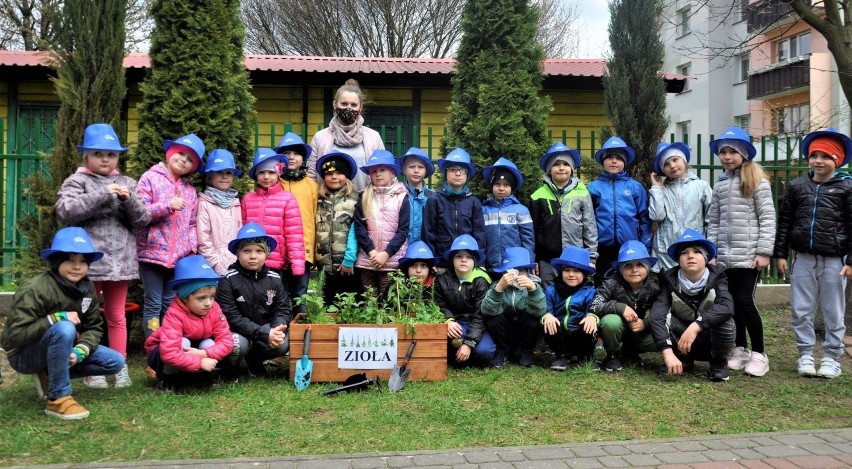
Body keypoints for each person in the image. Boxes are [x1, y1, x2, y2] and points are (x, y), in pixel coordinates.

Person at [54, 123, 149, 389]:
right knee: (85, 316)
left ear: (118, 157)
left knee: (117, 316)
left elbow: (143, 219)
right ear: (86, 156)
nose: (105, 159)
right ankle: (89, 367)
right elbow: (66, 210)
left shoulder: (127, 182)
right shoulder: (78, 181)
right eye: (98, 153)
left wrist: (128, 199)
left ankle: (120, 366)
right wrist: (101, 194)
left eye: (111, 154)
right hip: (87, 264)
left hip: (120, 263)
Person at [1, 227, 124, 419]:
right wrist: (55, 318)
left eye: (83, 261)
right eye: (70, 259)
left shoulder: (87, 287)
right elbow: (13, 339)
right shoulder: (35, 289)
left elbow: (93, 327)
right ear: (57, 260)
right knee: (65, 327)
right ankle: (58, 399)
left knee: (115, 361)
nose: (77, 267)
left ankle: (50, 374)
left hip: (61, 346)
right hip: (23, 354)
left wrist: (80, 351)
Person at [773, 128, 852, 379]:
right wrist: (781, 254)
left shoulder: (846, 188)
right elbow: (785, 221)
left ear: (836, 160)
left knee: (833, 310)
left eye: (826, 156)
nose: (819, 160)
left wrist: (850, 260)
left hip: (834, 261)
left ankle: (832, 356)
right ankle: (805, 353)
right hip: (803, 259)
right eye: (814, 155)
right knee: (801, 309)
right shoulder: (798, 186)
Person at [707, 126, 775, 377]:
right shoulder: (721, 184)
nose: (726, 157)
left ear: (744, 154)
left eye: (732, 152)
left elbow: (768, 218)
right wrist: (711, 251)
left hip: (749, 256)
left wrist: (764, 251)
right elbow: (714, 220)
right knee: (732, 304)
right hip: (725, 256)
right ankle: (741, 349)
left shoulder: (757, 181)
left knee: (746, 301)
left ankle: (759, 353)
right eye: (722, 152)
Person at [136, 133, 205, 338]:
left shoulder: (190, 191)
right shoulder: (150, 178)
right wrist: (167, 205)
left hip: (178, 258)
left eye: (190, 159)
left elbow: (192, 223)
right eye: (181, 154)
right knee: (153, 302)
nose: (183, 160)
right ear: (170, 153)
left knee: (170, 302)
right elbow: (139, 213)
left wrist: (191, 248)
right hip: (151, 254)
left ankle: (168, 345)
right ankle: (153, 348)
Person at [650, 229, 735, 382]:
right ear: (678, 259)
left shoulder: (718, 276)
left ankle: (718, 363)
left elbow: (726, 306)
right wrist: (667, 352)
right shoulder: (669, 279)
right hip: (681, 340)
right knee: (663, 318)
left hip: (710, 339)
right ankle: (683, 360)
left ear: (706, 257)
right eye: (684, 252)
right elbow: (657, 315)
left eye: (697, 251)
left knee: (725, 320)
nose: (690, 256)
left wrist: (696, 325)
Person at [145, 255, 233, 392]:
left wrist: (203, 353)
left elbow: (227, 341)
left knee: (209, 343)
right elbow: (168, 353)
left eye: (212, 296)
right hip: (162, 354)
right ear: (185, 298)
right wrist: (199, 362)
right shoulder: (174, 314)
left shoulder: (214, 308)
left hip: (196, 350)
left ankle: (204, 379)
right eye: (201, 298)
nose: (208, 303)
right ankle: (167, 381)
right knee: (183, 342)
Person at [217, 222, 293, 376]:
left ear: (266, 253)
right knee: (237, 345)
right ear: (238, 253)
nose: (253, 256)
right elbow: (231, 316)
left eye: (259, 251)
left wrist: (277, 329)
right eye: (246, 251)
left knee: (283, 344)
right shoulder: (228, 280)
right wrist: (263, 334)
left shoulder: (275, 279)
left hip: (266, 331)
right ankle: (236, 368)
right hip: (239, 333)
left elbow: (283, 309)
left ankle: (254, 361)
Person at [531, 141, 597, 287]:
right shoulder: (537, 196)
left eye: (566, 164)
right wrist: (533, 259)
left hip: (576, 258)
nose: (561, 168)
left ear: (572, 169)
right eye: (556, 164)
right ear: (549, 169)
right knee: (549, 294)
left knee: (573, 296)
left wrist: (591, 258)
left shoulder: (582, 194)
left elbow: (589, 228)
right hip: (547, 260)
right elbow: (532, 232)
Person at [588, 136, 651, 285]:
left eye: (618, 158)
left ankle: (628, 308)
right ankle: (603, 308)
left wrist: (645, 245)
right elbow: (588, 219)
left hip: (629, 247)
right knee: (603, 283)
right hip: (602, 247)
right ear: (603, 161)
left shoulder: (635, 187)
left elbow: (644, 218)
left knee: (628, 283)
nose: (614, 161)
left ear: (625, 162)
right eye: (610, 158)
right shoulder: (593, 188)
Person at [590, 241, 660, 372]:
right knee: (611, 322)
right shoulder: (610, 284)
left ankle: (630, 352)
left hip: (637, 330)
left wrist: (645, 323)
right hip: (616, 330)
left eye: (640, 265)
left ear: (647, 267)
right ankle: (612, 354)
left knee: (663, 335)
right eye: (628, 265)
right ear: (621, 269)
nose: (634, 270)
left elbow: (661, 313)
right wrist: (619, 307)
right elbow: (594, 305)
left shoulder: (654, 289)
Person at [306, 79, 385, 191]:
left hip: (364, 203)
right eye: (344, 104)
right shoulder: (320, 137)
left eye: (354, 105)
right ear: (335, 105)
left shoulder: (373, 137)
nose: (349, 108)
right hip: (329, 204)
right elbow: (312, 176)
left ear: (360, 107)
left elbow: (383, 170)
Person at [241, 148, 305, 281]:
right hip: (251, 263)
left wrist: (297, 265)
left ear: (278, 174)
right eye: (261, 172)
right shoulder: (247, 199)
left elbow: (294, 234)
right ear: (255, 175)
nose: (266, 177)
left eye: (271, 172)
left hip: (277, 264)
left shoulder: (287, 199)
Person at [433, 235, 497, 367]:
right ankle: (459, 355)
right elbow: (439, 304)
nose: (464, 260)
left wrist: (469, 343)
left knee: (485, 352)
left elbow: (480, 315)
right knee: (445, 345)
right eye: (459, 256)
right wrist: (448, 321)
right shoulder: (442, 280)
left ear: (475, 261)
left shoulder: (481, 281)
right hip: (455, 324)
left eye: (468, 257)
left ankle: (466, 354)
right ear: (452, 260)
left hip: (475, 324)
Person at [353, 149, 410, 297]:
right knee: (370, 301)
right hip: (368, 260)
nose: (378, 174)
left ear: (392, 173)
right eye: (374, 171)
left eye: (382, 170)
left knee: (388, 301)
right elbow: (360, 227)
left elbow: (403, 230)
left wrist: (386, 254)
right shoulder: (364, 196)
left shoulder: (402, 197)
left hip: (392, 261)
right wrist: (372, 252)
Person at [648, 141, 712, 271]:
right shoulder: (662, 191)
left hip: (694, 249)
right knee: (669, 289)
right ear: (662, 169)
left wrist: (710, 245)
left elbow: (711, 219)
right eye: (666, 164)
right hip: (666, 250)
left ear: (684, 161)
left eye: (675, 160)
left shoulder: (701, 186)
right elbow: (657, 216)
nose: (672, 166)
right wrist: (656, 188)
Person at [274, 132, 318, 317]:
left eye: (296, 153)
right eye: (287, 153)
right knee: (279, 291)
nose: (291, 157)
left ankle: (299, 330)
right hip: (279, 248)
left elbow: (314, 215)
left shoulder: (311, 185)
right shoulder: (274, 183)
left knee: (300, 292)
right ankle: (281, 327)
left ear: (303, 159)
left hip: (303, 247)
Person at [481, 247, 546, 368]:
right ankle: (502, 351)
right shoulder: (497, 285)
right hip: (504, 330)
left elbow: (540, 310)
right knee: (492, 319)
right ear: (504, 272)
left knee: (533, 319)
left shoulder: (534, 286)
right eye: (512, 270)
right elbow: (487, 310)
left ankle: (525, 352)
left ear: (528, 272)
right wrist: (499, 289)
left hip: (523, 330)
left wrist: (533, 290)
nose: (516, 275)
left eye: (521, 270)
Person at [423, 148, 486, 266]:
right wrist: (431, 262)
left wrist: (480, 263)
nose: (458, 174)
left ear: (467, 175)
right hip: (441, 262)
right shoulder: (434, 200)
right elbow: (428, 233)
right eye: (453, 169)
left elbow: (480, 234)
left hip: (466, 263)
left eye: (462, 170)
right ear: (445, 173)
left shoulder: (473, 202)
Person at [315, 151, 362, 305]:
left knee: (351, 305)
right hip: (324, 265)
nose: (334, 177)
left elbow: (358, 231)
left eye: (339, 173)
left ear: (347, 176)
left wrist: (350, 258)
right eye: (329, 174)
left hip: (348, 266)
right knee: (328, 307)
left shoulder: (356, 199)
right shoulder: (317, 199)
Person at [542, 245, 598, 371]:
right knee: (548, 321)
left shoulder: (590, 292)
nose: (571, 274)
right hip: (561, 335)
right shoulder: (551, 291)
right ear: (561, 272)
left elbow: (594, 309)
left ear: (584, 274)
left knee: (591, 321)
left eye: (576, 271)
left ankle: (586, 356)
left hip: (581, 334)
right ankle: (562, 355)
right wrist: (547, 316)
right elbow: (546, 310)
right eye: (567, 270)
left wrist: (592, 317)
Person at [481, 157, 535, 278]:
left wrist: (528, 264)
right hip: (490, 267)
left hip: (515, 267)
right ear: (492, 185)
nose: (501, 188)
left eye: (506, 185)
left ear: (512, 187)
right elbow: (480, 239)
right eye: (497, 184)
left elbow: (528, 241)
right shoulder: (483, 210)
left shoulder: (521, 210)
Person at [197, 148, 243, 275]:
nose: (224, 176)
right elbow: (203, 241)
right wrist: (217, 266)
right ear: (209, 177)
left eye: (228, 172)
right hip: (214, 267)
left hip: (237, 265)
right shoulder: (204, 204)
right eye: (219, 172)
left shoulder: (235, 203)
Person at [397, 147, 435, 243]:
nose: (416, 170)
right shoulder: (397, 194)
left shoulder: (433, 196)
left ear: (426, 170)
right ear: (404, 170)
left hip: (426, 250)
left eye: (421, 167)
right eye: (412, 167)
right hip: (402, 249)